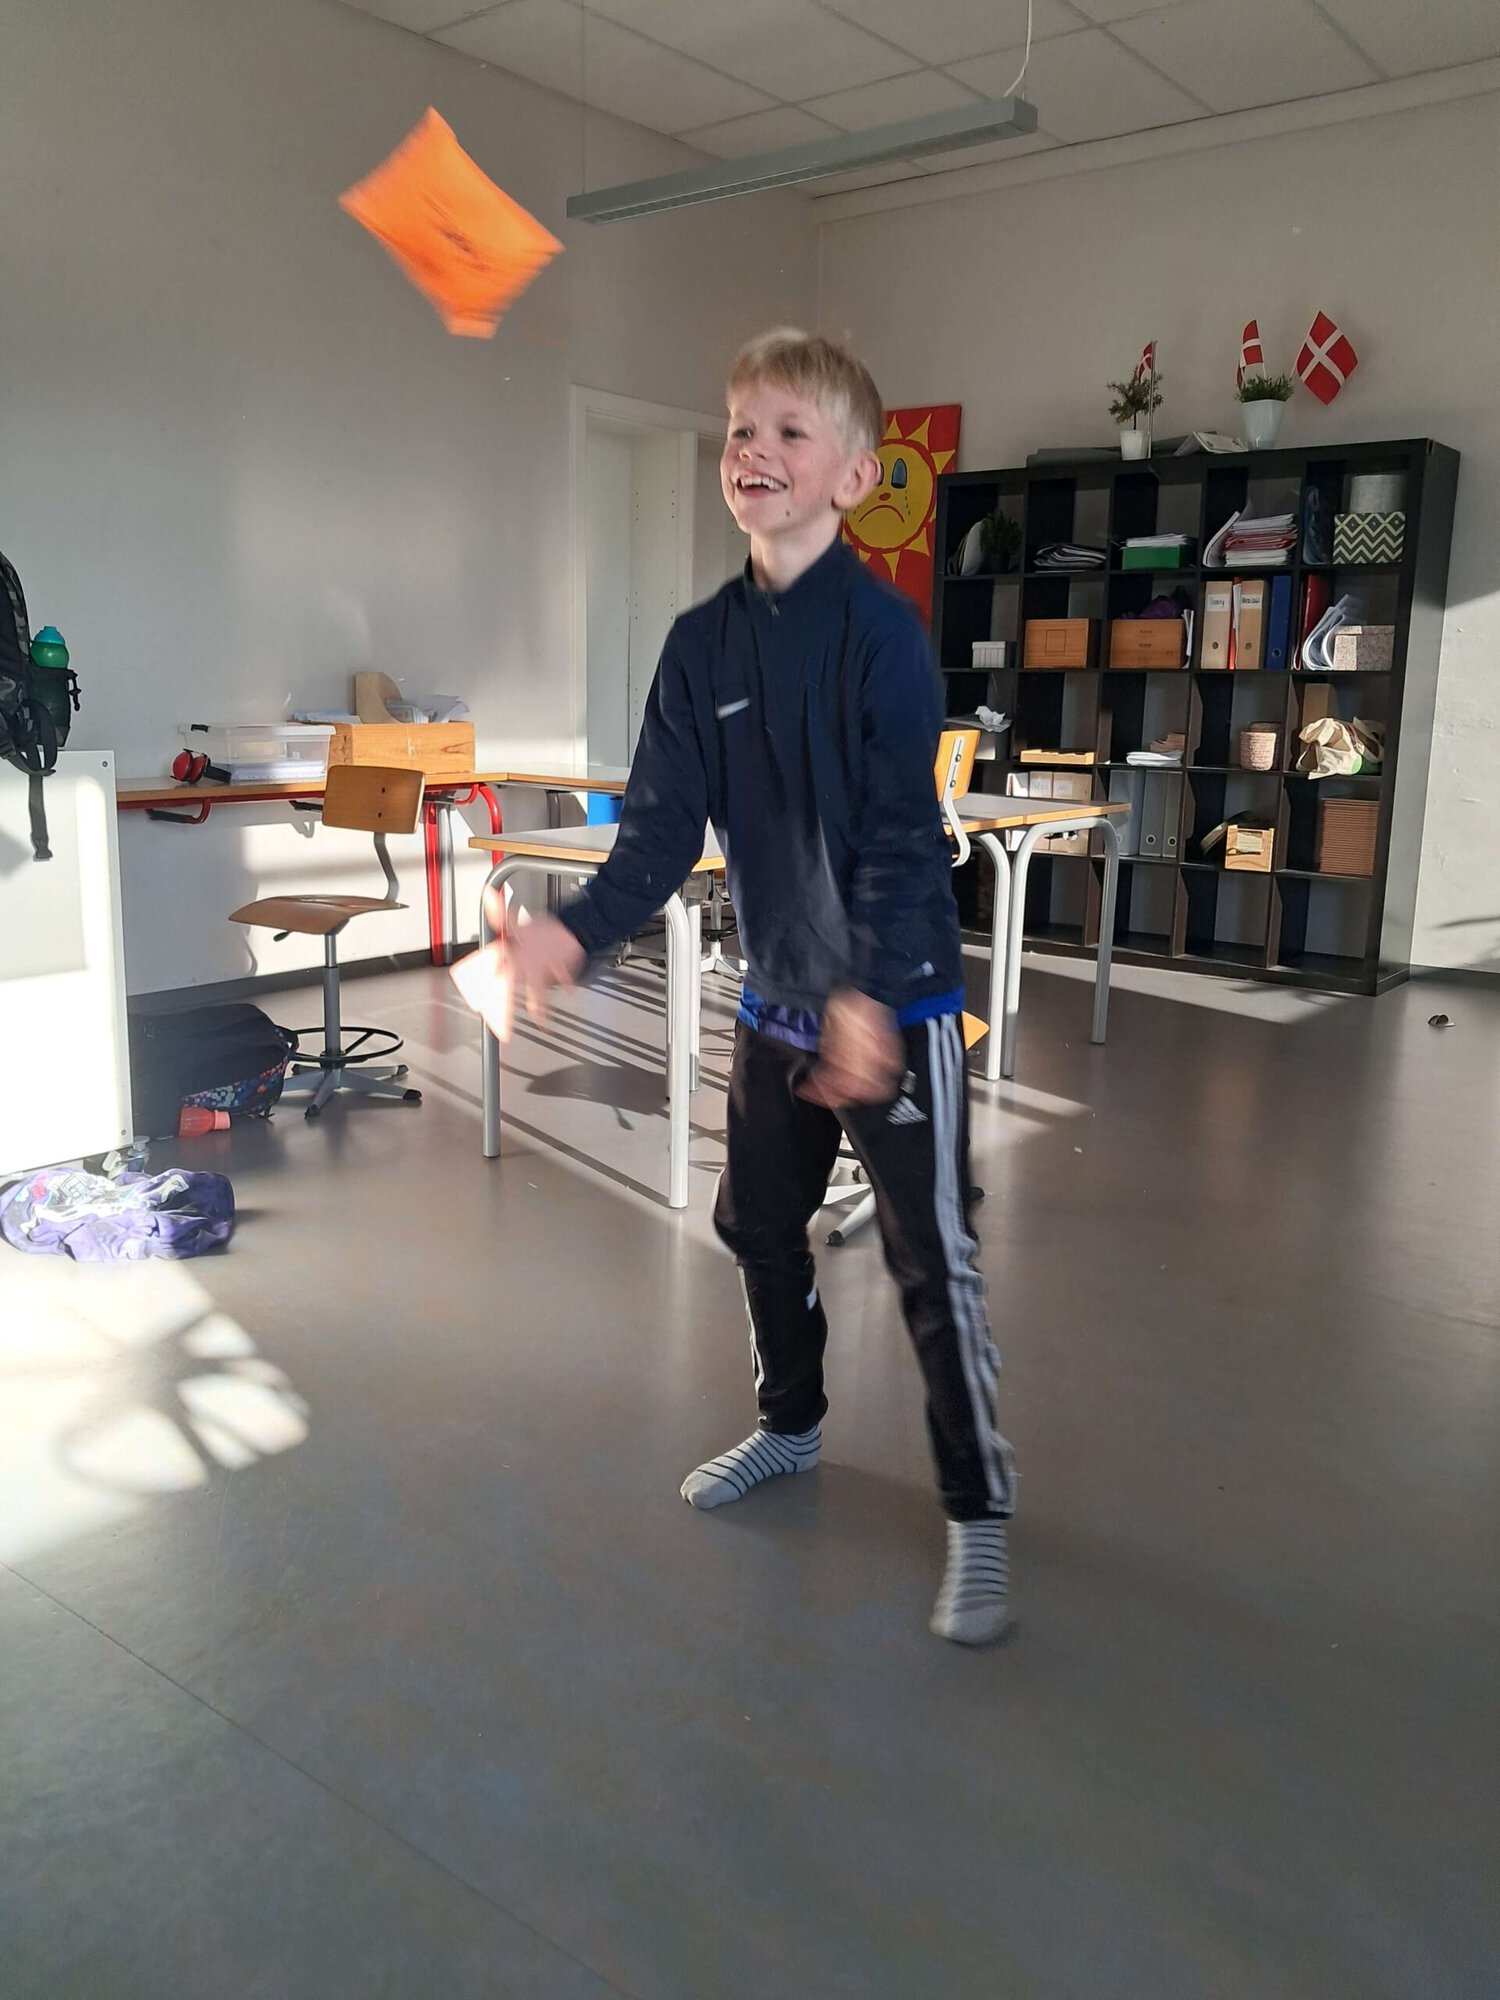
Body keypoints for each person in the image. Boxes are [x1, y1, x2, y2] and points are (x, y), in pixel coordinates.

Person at [456, 330, 1015, 1645]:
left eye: (789, 432)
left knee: (933, 1264)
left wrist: (868, 996)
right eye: (742, 429)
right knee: (756, 1225)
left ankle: (979, 1512)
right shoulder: (701, 645)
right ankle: (792, 1425)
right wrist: (568, 938)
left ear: (856, 476)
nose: (755, 451)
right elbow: (656, 833)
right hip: (776, 1008)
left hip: (897, 1006)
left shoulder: (883, 638)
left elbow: (901, 835)